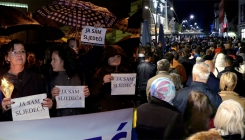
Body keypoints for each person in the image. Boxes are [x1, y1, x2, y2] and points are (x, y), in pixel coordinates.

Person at [0, 40, 53, 121]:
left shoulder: (36, 78)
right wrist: (3, 109)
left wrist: (49, 103)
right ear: (7, 58)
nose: (19, 55)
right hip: (9, 126)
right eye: (14, 52)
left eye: (22, 51)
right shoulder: (1, 79)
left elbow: (45, 101)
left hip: (33, 125)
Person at [49, 44, 90, 117]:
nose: (51, 63)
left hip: (78, 119)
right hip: (59, 122)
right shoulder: (50, 79)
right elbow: (46, 106)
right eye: (51, 60)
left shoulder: (80, 76)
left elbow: (87, 104)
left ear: (64, 60)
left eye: (54, 60)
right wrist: (52, 98)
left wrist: (87, 94)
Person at [91, 45, 134, 112]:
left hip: (124, 111)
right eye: (112, 56)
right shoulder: (100, 73)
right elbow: (92, 94)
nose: (116, 58)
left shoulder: (127, 71)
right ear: (107, 58)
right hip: (107, 112)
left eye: (118, 56)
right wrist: (102, 82)